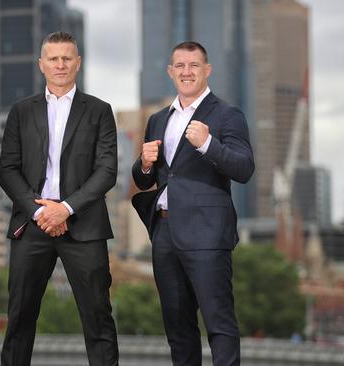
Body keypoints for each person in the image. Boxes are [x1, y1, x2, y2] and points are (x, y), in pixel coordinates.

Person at [0, 31, 119, 366]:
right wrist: (41, 213)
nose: (60, 64)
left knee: (98, 319)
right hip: (32, 223)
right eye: (53, 58)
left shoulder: (99, 111)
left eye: (67, 58)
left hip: (84, 225)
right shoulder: (21, 112)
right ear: (41, 64)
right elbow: (7, 170)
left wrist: (64, 209)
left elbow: (107, 171)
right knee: (19, 319)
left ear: (78, 64)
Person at [131, 41, 254, 366]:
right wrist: (143, 164)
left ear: (207, 70)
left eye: (194, 65)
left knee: (219, 325)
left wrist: (209, 144)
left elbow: (244, 168)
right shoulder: (158, 119)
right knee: (178, 328)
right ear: (171, 72)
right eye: (180, 66)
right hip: (165, 233)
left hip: (208, 235)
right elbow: (148, 179)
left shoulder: (227, 115)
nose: (187, 72)